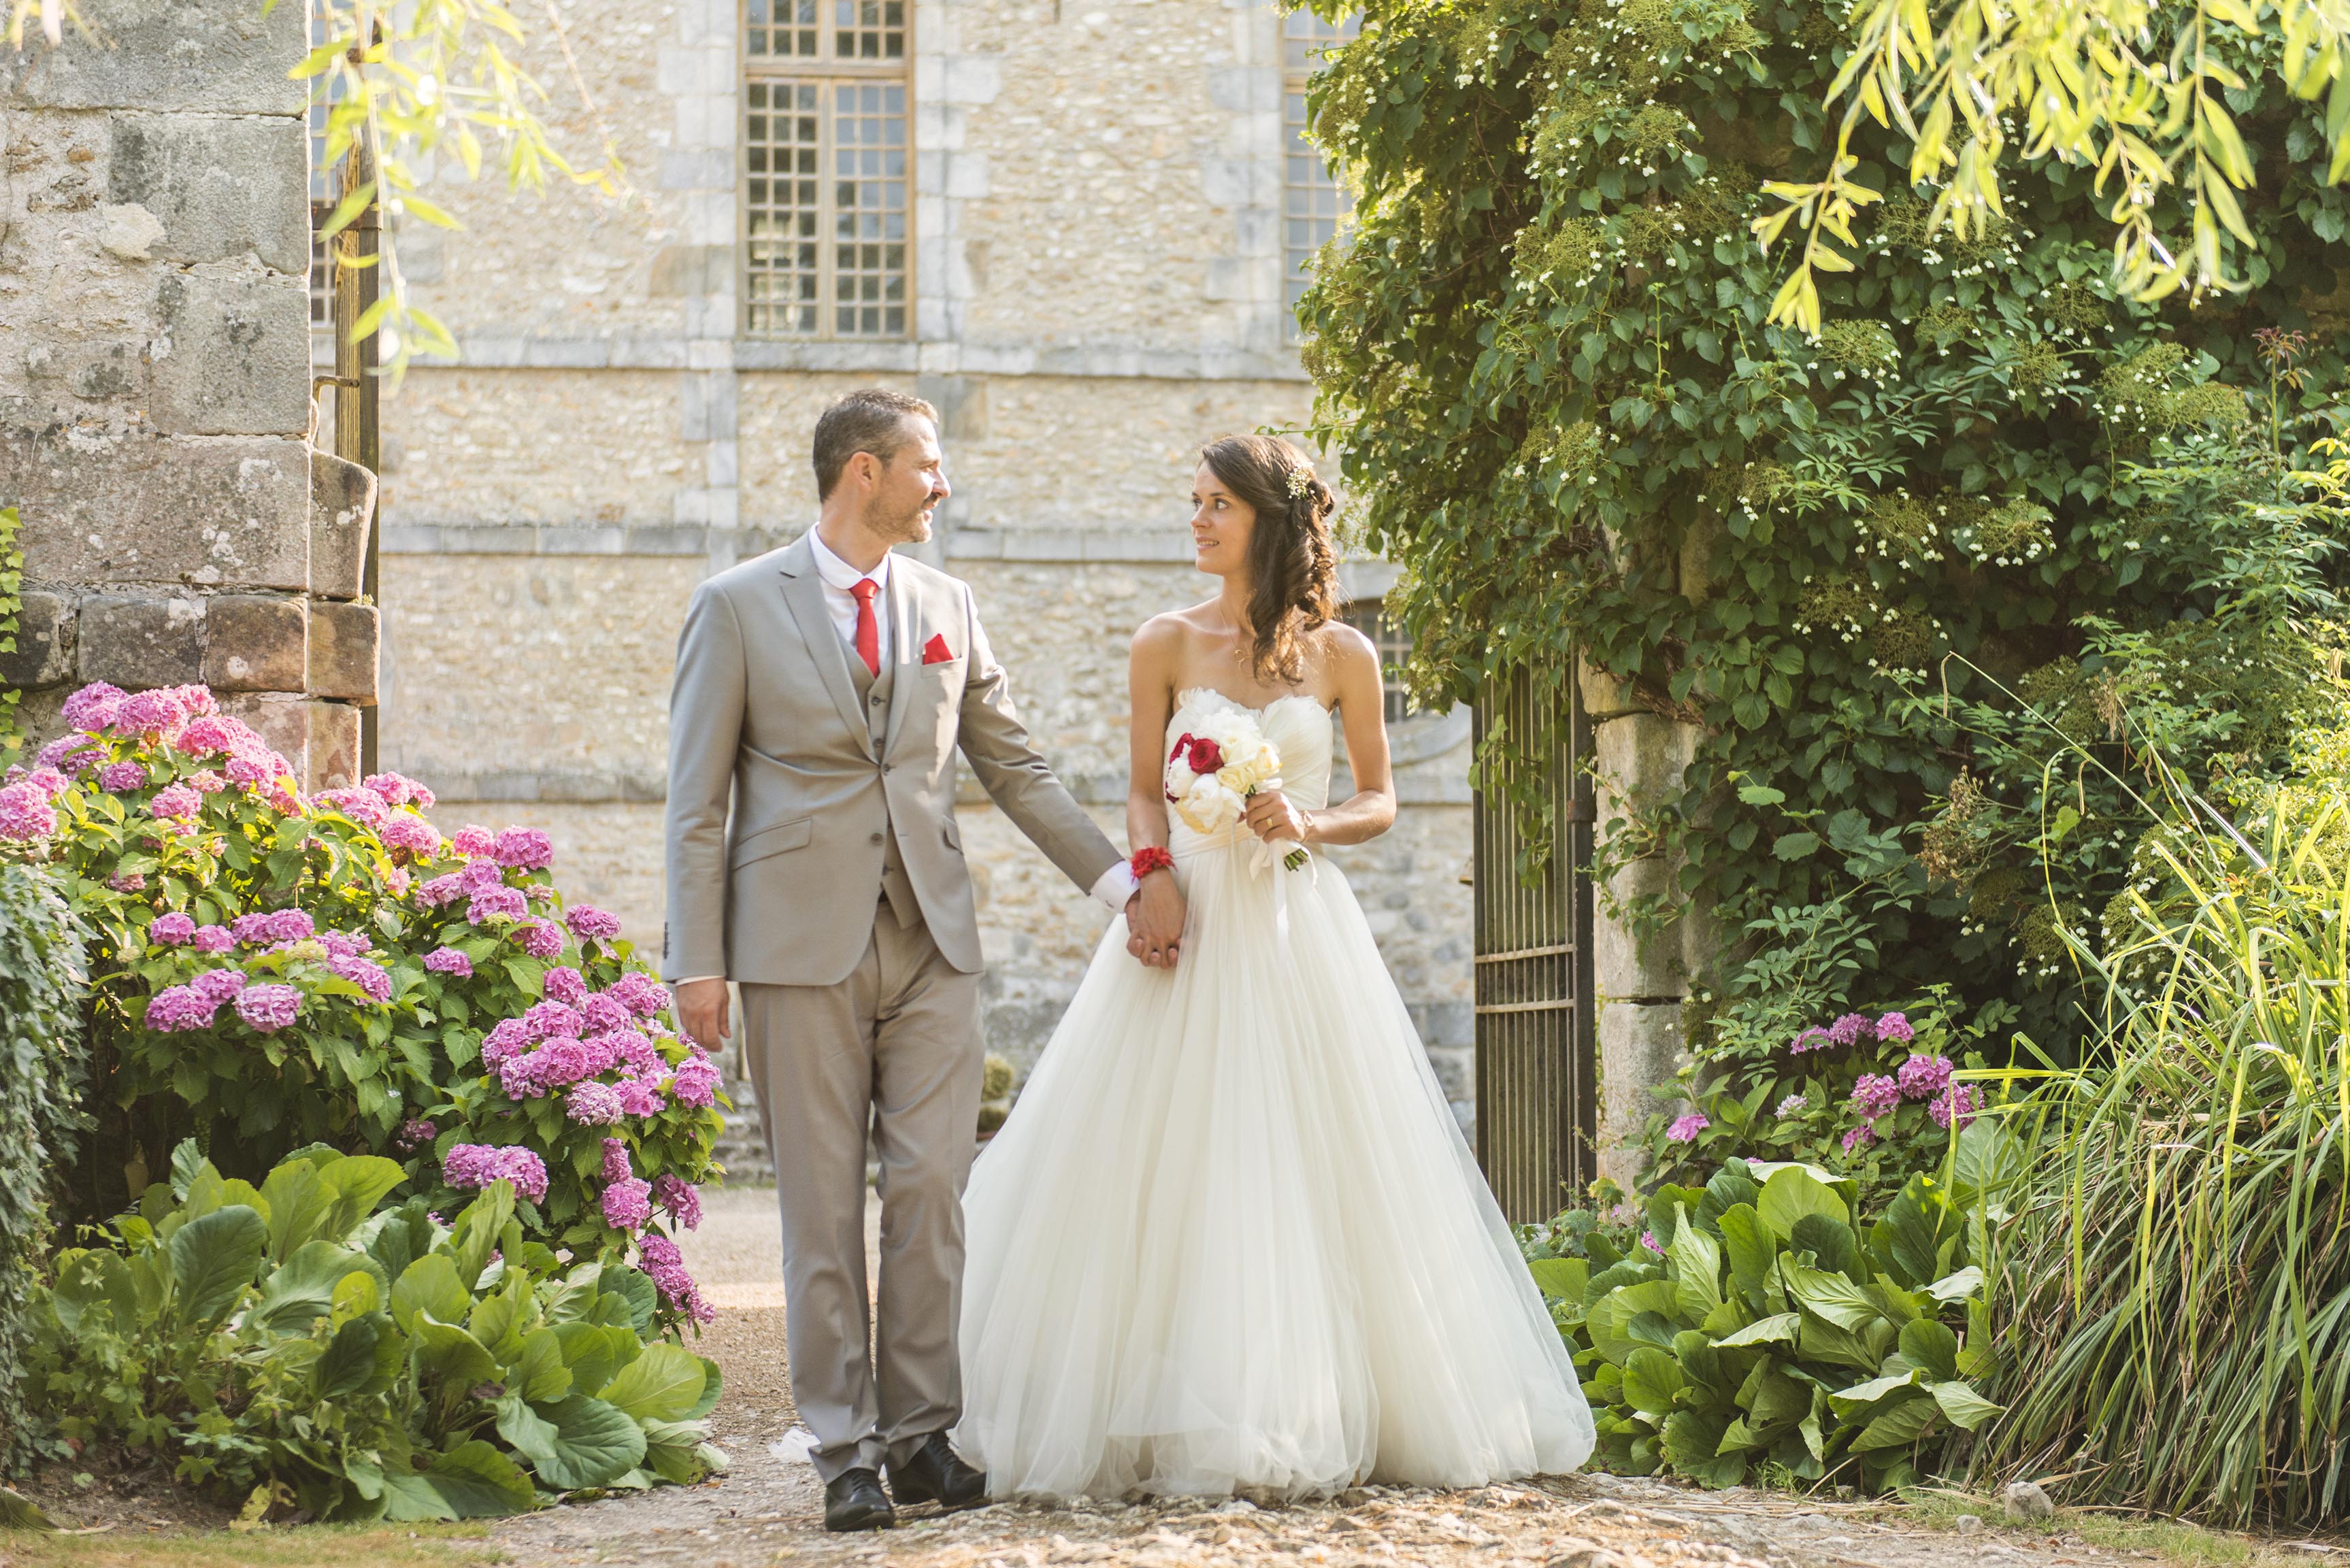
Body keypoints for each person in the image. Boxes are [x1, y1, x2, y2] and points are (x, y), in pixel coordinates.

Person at [952, 433, 1596, 1501]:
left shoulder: (1343, 655)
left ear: (1271, 518)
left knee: (1302, 1152)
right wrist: (1150, 874)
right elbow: (1142, 791)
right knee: (1162, 1154)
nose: (1197, 520)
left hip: (1297, 920)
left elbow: (1378, 797)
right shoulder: (1162, 642)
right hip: (1188, 918)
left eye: (1217, 503)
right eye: (1194, 501)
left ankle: (1303, 1402)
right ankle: (1150, 1403)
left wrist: (1310, 820)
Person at [660, 388, 1185, 1532]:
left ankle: (919, 1436)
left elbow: (1015, 767)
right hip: (794, 947)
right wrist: (697, 961)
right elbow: (696, 803)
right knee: (817, 1209)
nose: (941, 483)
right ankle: (843, 1449)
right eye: (926, 464)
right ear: (864, 471)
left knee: (933, 1193)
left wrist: (1121, 885)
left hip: (934, 941)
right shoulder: (736, 605)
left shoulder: (948, 602)